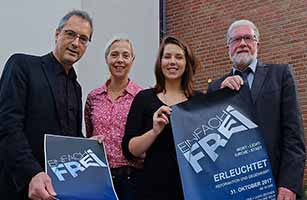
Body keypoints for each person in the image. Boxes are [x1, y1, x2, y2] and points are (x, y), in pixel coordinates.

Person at [207, 19, 306, 200]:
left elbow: (294, 135)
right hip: (235, 189)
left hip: (277, 187)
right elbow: (213, 143)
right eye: (236, 39)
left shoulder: (280, 75)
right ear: (228, 47)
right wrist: (220, 98)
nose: (242, 43)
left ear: (257, 44)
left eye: (248, 38)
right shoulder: (215, 88)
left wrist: (289, 184)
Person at [0, 10, 93, 200]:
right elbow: (7, 125)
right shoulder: (22, 65)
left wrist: (87, 146)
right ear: (57, 34)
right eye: (70, 34)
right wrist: (32, 173)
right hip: (22, 188)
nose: (76, 43)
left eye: (83, 39)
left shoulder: (76, 87)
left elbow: (69, 136)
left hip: (59, 191)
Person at [122, 35, 199, 200]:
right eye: (167, 56)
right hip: (153, 189)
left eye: (179, 57)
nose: (172, 62)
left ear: (187, 63)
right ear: (160, 62)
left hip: (191, 188)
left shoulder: (199, 101)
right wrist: (154, 131)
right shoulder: (143, 98)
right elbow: (130, 150)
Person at [84, 35, 143, 200]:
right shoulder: (93, 97)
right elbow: (89, 133)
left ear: (132, 60)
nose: (120, 60)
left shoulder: (142, 96)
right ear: (107, 58)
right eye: (114, 54)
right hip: (99, 177)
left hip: (132, 178)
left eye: (125, 55)